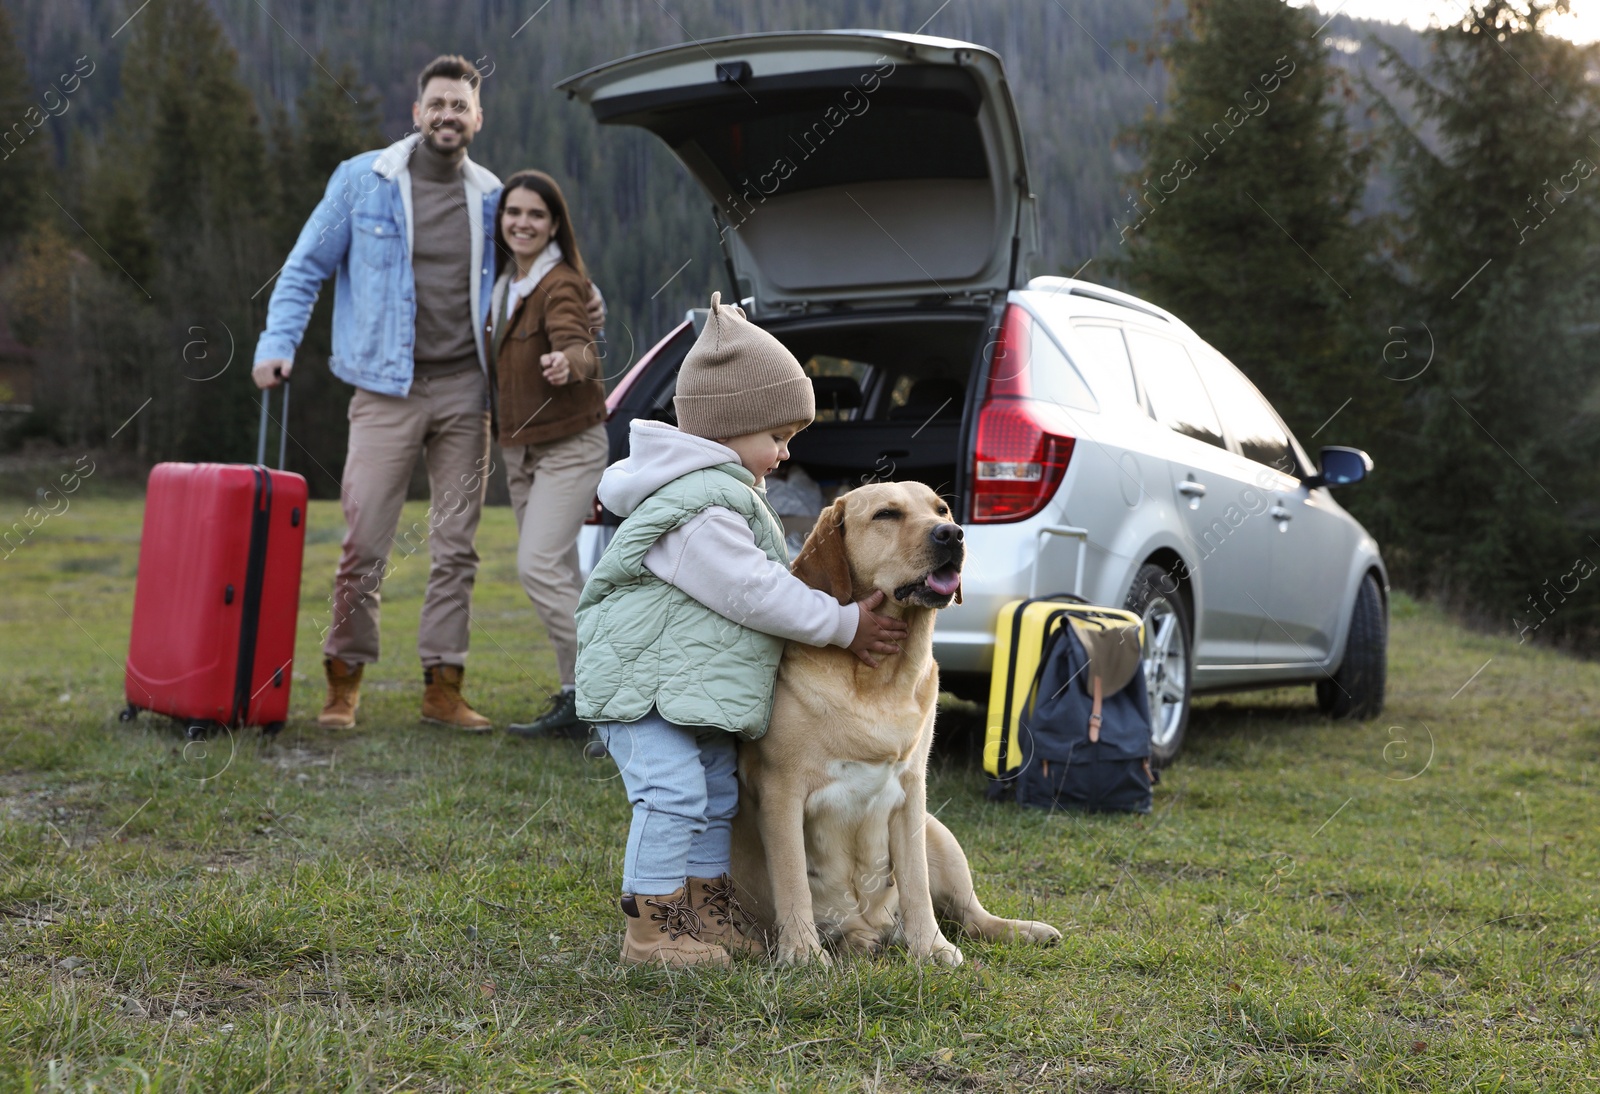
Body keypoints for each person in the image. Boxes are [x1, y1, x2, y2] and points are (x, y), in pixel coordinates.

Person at [251, 55, 604, 733]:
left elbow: (544, 270)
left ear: (478, 118)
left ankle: (443, 687)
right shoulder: (362, 182)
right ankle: (343, 680)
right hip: (385, 390)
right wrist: (275, 347)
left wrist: (588, 314)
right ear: (417, 114)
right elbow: (303, 270)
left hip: (468, 394)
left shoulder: (494, 196)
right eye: (436, 104)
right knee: (365, 541)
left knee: (456, 546)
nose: (447, 115)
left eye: (460, 106)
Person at [574, 292, 909, 968]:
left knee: (717, 791)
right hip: (642, 688)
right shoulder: (699, 507)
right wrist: (842, 624)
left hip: (681, 688)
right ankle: (652, 931)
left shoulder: (724, 496)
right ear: (728, 428)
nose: (785, 454)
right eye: (778, 437)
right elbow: (755, 594)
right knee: (671, 791)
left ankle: (705, 910)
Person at [484, 171, 610, 740]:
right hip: (522, 450)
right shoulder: (509, 281)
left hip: (570, 444)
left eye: (535, 214)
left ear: (554, 223)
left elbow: (579, 341)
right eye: (513, 213)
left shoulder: (559, 282)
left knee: (536, 566)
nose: (522, 223)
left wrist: (569, 363)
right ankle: (577, 697)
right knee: (560, 570)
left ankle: (611, 687)